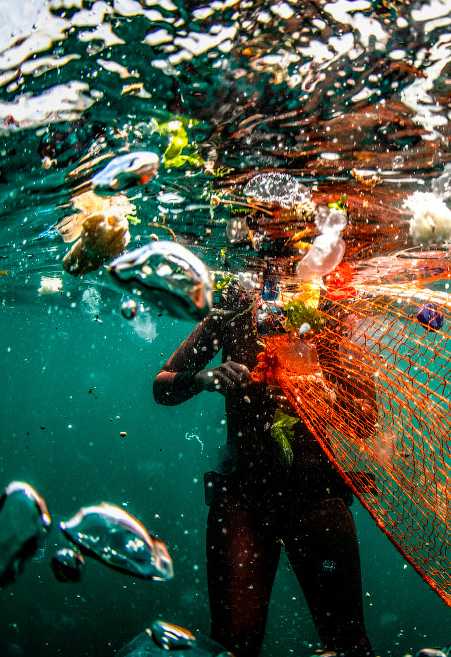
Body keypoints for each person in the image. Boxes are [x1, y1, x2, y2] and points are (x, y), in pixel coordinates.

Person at [153, 266, 374, 657]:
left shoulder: (331, 314)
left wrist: (329, 397)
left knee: (347, 643)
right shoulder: (235, 309)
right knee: (233, 645)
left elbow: (366, 420)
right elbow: (162, 386)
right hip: (243, 498)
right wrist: (205, 378)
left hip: (317, 494)